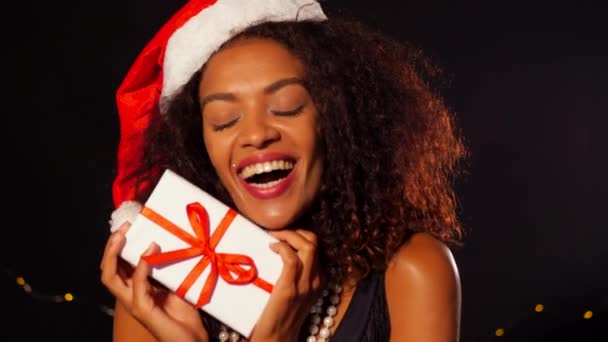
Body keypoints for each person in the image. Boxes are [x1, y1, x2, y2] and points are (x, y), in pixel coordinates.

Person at [100, 0, 467, 341]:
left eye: (287, 106)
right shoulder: (157, 289)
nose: (257, 134)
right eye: (224, 120)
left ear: (335, 119)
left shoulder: (414, 271)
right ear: (200, 146)